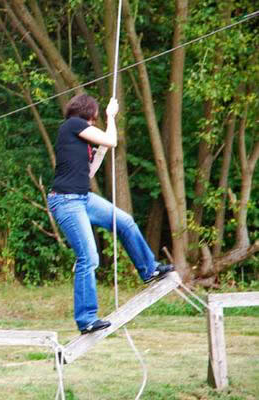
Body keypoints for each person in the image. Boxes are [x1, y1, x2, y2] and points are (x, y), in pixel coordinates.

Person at [47, 93, 174, 334]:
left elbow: (89, 174)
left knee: (125, 222)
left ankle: (149, 269)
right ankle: (86, 319)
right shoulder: (73, 124)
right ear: (88, 114)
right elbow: (112, 140)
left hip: (82, 197)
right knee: (89, 257)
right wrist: (111, 116)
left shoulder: (78, 140)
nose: (94, 123)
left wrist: (100, 152)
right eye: (94, 119)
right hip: (66, 201)